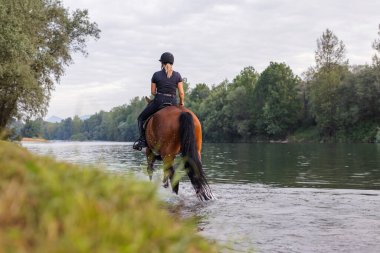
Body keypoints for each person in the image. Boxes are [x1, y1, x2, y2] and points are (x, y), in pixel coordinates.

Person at [133, 52, 185, 151]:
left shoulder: (156, 75)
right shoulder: (177, 75)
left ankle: (142, 140)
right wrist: (181, 103)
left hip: (159, 101)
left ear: (162, 63)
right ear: (172, 63)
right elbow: (181, 93)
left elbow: (153, 92)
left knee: (141, 118)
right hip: (173, 102)